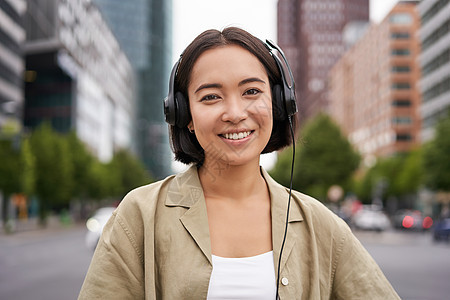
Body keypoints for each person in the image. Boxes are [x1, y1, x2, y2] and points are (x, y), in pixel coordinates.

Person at [78, 27, 400, 299]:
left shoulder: (320, 224)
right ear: (184, 115)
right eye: (210, 97)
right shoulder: (139, 216)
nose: (234, 112)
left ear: (277, 104)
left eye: (251, 91)